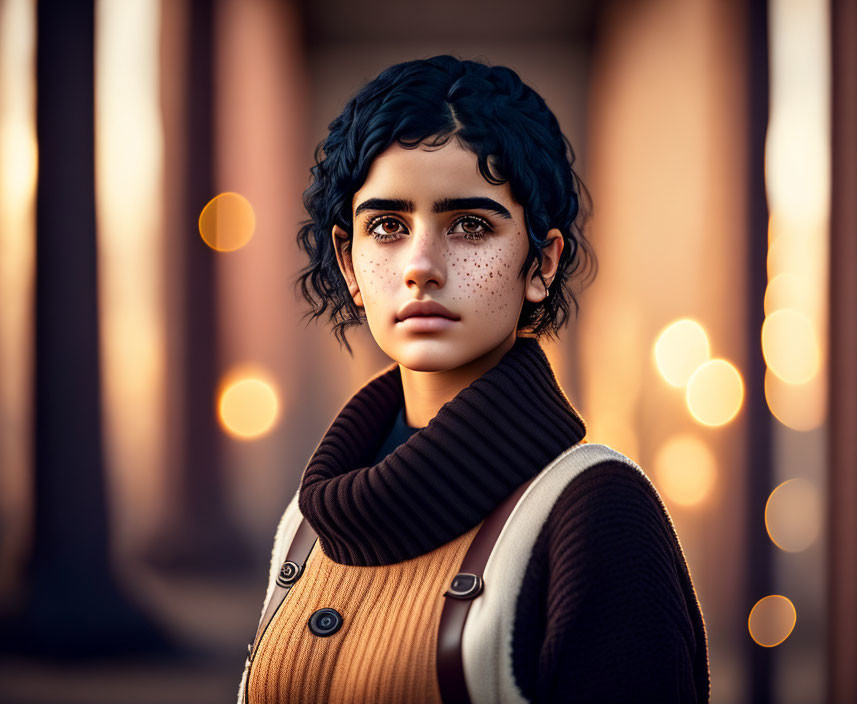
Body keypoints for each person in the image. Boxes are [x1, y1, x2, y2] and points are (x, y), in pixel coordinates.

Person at [238, 55, 710, 703]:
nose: (421, 266)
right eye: (387, 228)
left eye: (469, 226)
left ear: (540, 264)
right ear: (349, 263)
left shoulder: (595, 514)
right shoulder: (306, 522)